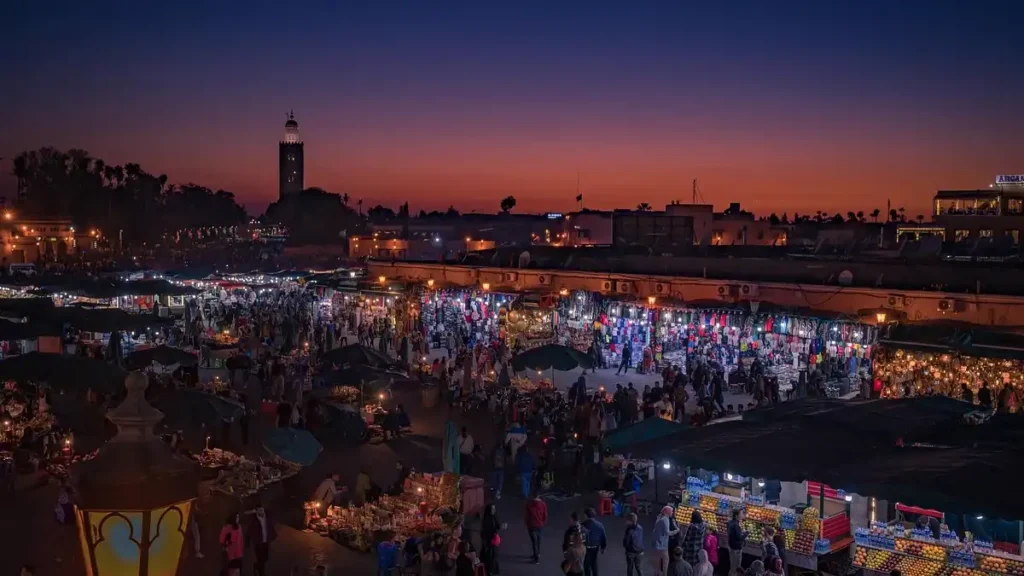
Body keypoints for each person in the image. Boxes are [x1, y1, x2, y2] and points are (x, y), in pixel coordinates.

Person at [248, 504, 277, 576]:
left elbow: (273, 512)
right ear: (256, 511)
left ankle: (256, 566)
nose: (261, 512)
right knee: (261, 559)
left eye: (262, 510)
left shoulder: (267, 516)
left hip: (265, 542)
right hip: (258, 543)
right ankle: (261, 573)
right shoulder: (254, 520)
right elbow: (249, 531)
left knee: (266, 558)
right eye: (259, 510)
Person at [653, 506, 679, 576]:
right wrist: (676, 531)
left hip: (657, 543)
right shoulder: (665, 520)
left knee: (658, 560)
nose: (672, 512)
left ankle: (657, 573)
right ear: (668, 512)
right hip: (662, 544)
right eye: (671, 511)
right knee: (666, 560)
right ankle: (664, 574)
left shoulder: (659, 517)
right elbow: (667, 533)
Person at [582, 507, 607, 576]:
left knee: (586, 565)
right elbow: (603, 537)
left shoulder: (583, 525)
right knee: (594, 563)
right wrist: (603, 547)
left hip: (586, 548)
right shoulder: (600, 525)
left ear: (586, 515)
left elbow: (581, 537)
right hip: (595, 547)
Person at [525, 491, 548, 564]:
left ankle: (536, 557)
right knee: (538, 540)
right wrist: (542, 522)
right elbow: (545, 515)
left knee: (534, 541)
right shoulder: (543, 504)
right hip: (540, 525)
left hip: (531, 525)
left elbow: (527, 516)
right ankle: (537, 554)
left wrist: (527, 524)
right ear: (539, 496)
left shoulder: (529, 504)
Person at [480, 503, 503, 574]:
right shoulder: (486, 519)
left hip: (493, 540)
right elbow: (485, 532)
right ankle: (489, 570)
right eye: (492, 509)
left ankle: (492, 570)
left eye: (494, 509)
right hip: (489, 541)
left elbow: (498, 525)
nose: (494, 510)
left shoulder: (494, 517)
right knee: (490, 557)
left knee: (494, 556)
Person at [623, 512, 645, 576]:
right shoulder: (640, 528)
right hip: (640, 551)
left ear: (631, 521)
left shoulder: (629, 529)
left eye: (627, 520)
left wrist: (625, 547)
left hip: (631, 552)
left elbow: (626, 541)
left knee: (630, 568)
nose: (626, 521)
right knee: (638, 567)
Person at [727, 509, 747, 576]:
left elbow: (732, 535)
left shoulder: (730, 522)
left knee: (732, 565)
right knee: (736, 567)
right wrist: (746, 533)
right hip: (736, 549)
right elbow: (739, 537)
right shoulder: (736, 525)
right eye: (741, 513)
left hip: (731, 547)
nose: (743, 514)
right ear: (736, 516)